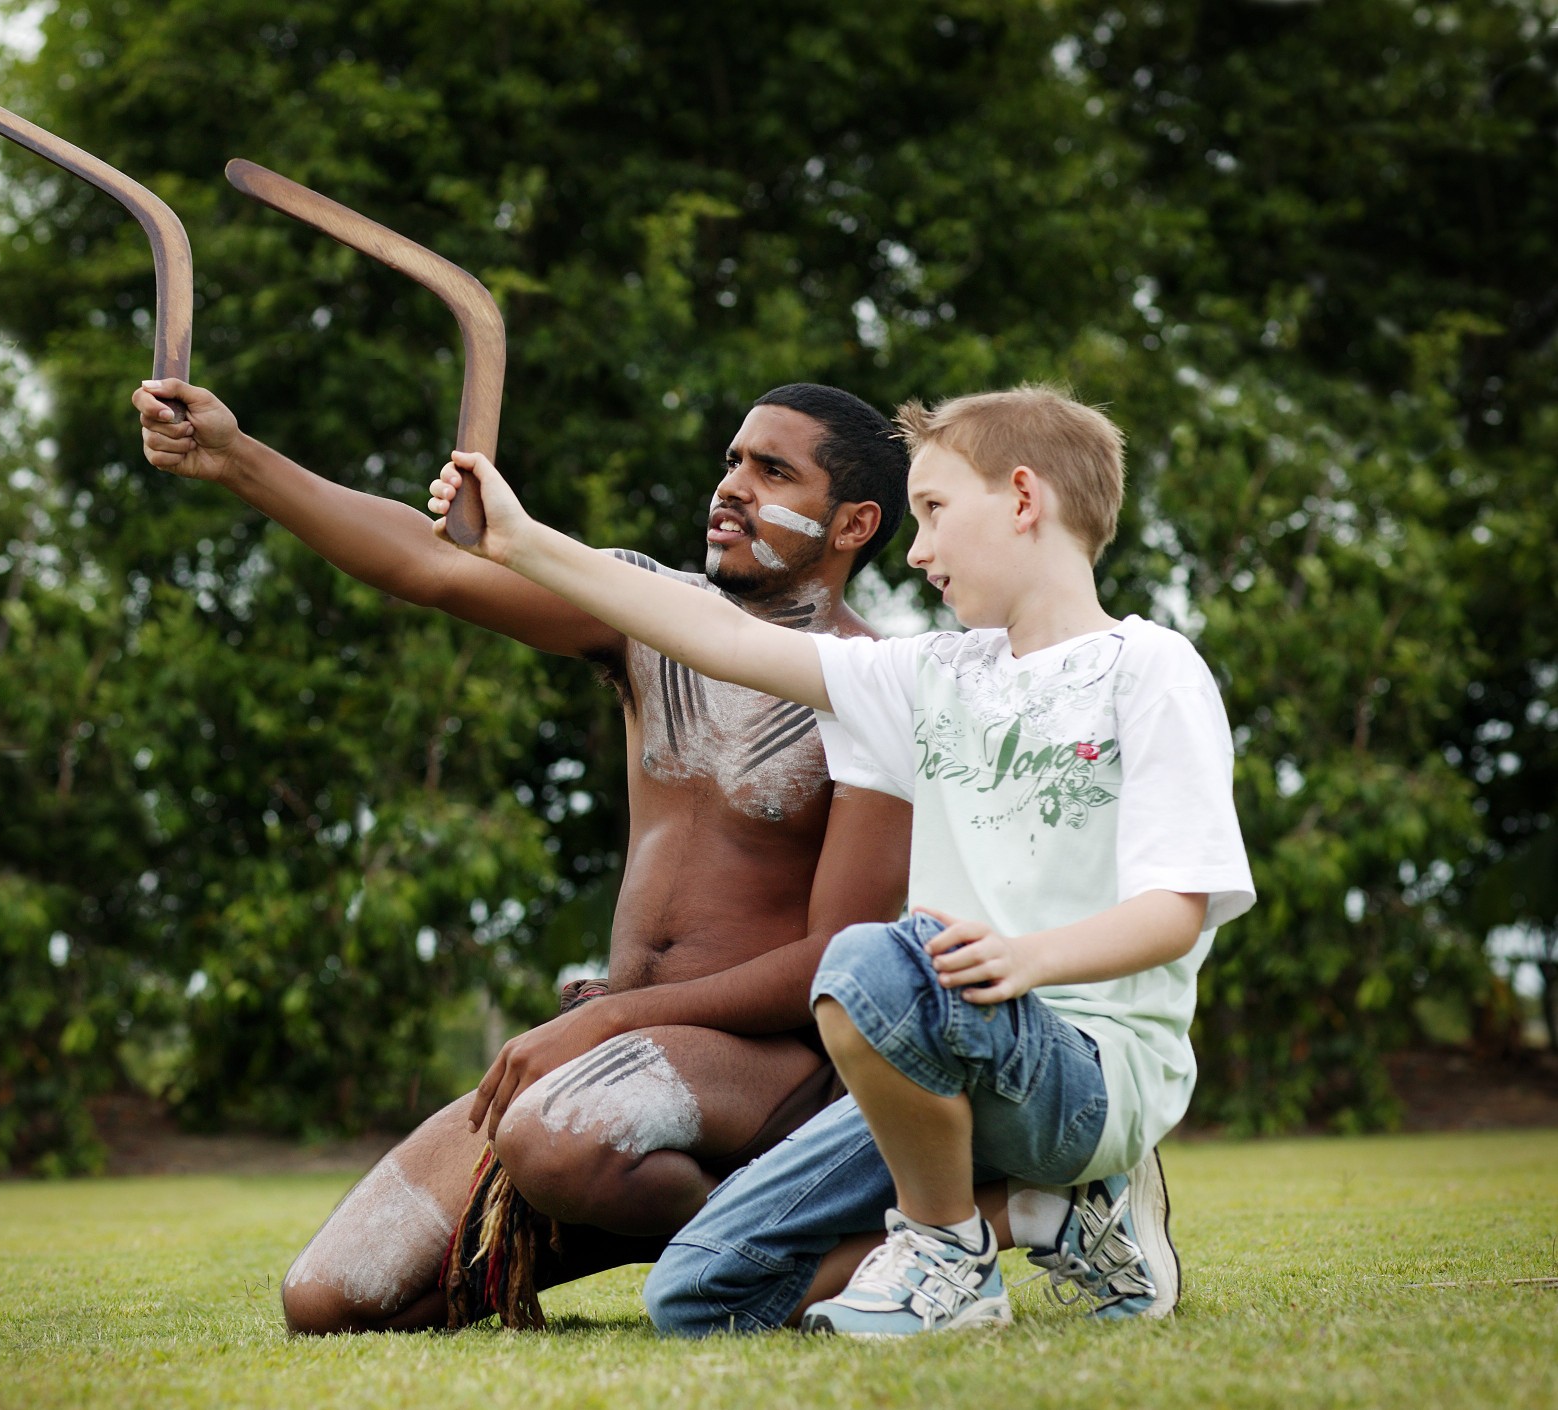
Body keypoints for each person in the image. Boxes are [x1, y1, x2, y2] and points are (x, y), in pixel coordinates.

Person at [425, 384, 1256, 1337]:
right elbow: (724, 637)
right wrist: (523, 543)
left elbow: (1175, 912)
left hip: (1084, 1069)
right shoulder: (929, 678)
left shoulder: (1148, 671)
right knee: (695, 1294)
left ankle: (949, 1259)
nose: (916, 549)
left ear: (1024, 500)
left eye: (936, 512)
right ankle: (1051, 1216)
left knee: (869, 956)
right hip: (933, 1063)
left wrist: (1028, 960)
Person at [132, 376, 914, 1331]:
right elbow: (432, 568)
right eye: (732, 462)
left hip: (770, 1073)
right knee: (328, 1300)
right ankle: (673, 1216)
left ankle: (833, 1255)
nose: (732, 487)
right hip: (615, 1074)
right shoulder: (645, 614)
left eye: (772, 470)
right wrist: (236, 459)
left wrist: (602, 1026)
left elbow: (846, 961)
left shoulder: (879, 689)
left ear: (853, 523)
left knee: (552, 1138)